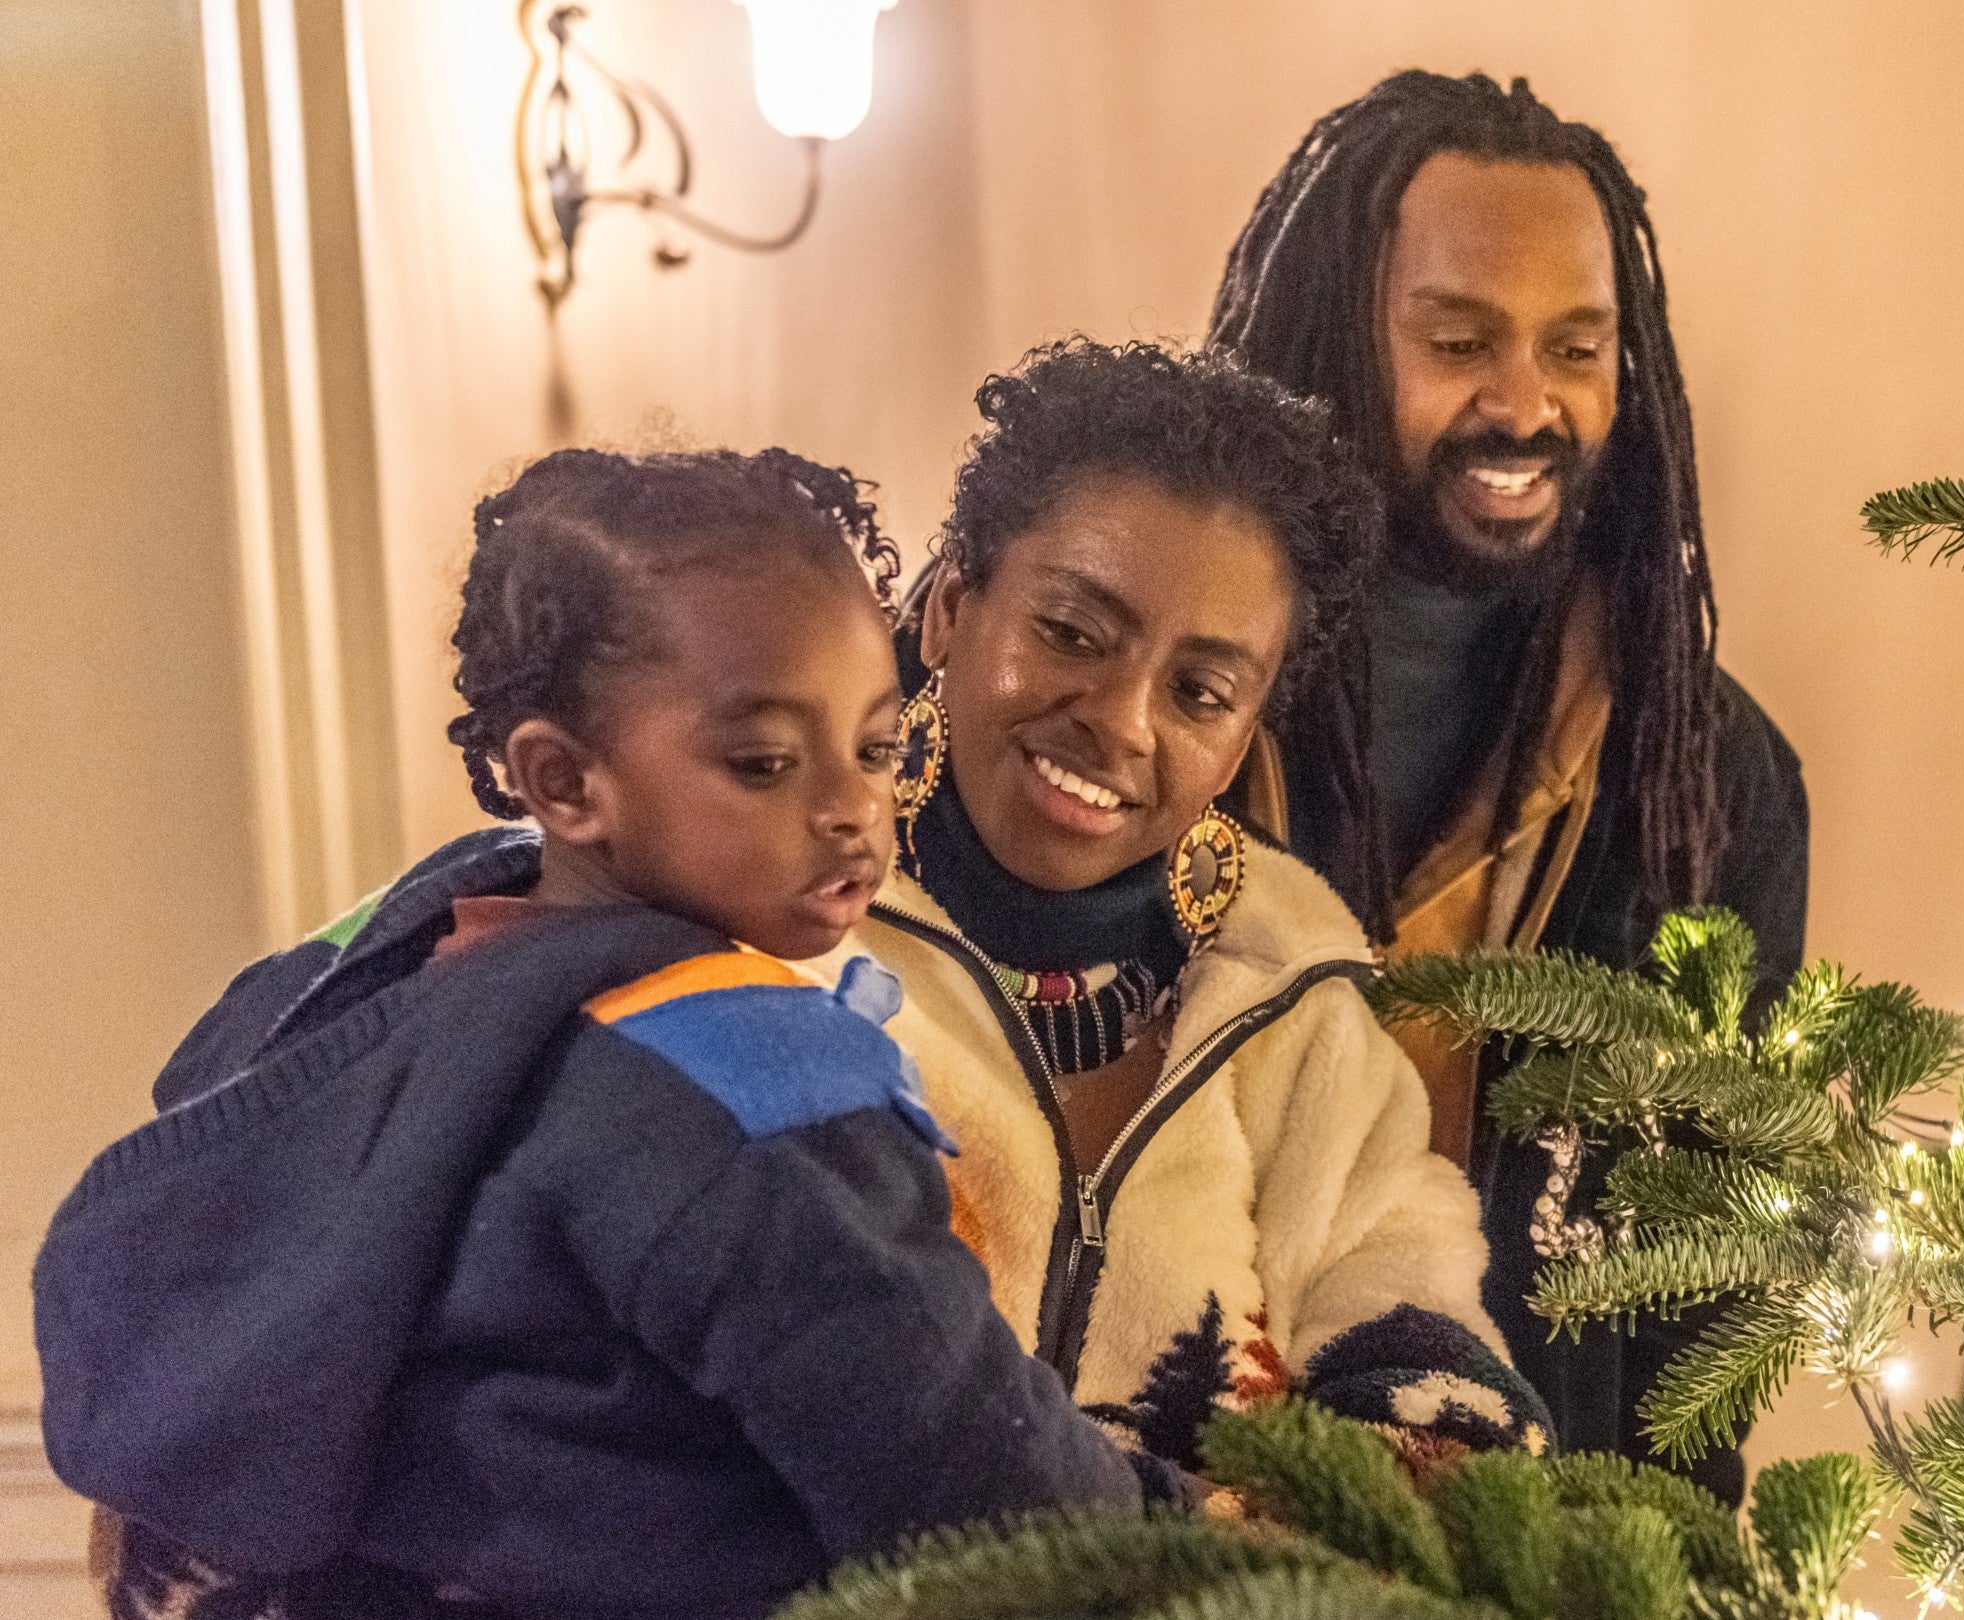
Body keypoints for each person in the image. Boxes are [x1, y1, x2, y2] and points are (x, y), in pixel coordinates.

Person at [37, 449, 1151, 1620]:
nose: (850, 808)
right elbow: (970, 1475)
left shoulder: (371, 957)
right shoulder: (750, 1078)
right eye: (764, 763)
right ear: (565, 782)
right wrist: (1208, 1538)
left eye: (877, 749)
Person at [1206, 70, 1811, 1498]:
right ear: (1335, 344)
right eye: (1459, 339)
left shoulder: (1706, 780)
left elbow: (1704, 1326)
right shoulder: (1170, 703)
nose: (1526, 402)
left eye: (1576, 347)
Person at [848, 338, 1548, 1465]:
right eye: (1072, 633)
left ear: (1244, 734)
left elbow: (1398, 1279)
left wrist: (1429, 1479)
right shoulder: (788, 910)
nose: (1124, 721)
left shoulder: (1289, 987)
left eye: (1201, 691)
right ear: (954, 609)